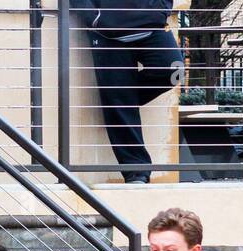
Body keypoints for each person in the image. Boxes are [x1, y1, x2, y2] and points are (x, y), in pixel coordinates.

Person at [70, 0, 184, 183]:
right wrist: (95, 18)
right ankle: (136, 172)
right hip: (108, 33)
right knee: (118, 99)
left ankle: (117, 105)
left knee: (174, 72)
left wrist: (161, 9)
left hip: (153, 26)